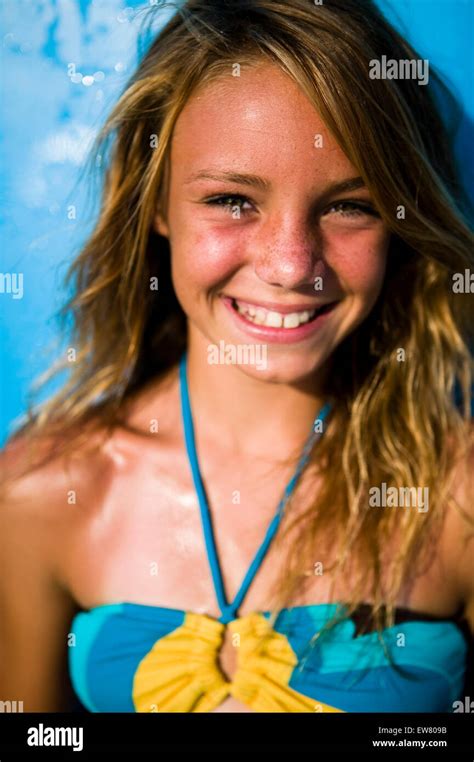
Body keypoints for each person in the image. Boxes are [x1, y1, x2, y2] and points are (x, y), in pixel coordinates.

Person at [1, 0, 473, 713]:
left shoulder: (458, 496)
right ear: (156, 205)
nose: (290, 264)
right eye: (231, 200)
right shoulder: (43, 492)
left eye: (352, 206)